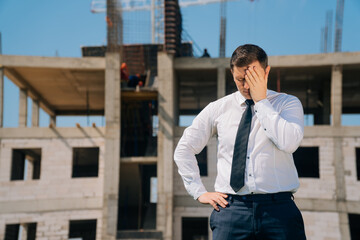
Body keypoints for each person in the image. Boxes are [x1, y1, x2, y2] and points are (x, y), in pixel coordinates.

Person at [174, 44, 306, 240]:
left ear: (266, 71)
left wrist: (262, 102)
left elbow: (289, 143)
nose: (246, 86)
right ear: (232, 74)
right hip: (231, 210)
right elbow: (184, 148)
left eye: (252, 78)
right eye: (240, 79)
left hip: (279, 211)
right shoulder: (218, 108)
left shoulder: (287, 103)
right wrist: (198, 191)